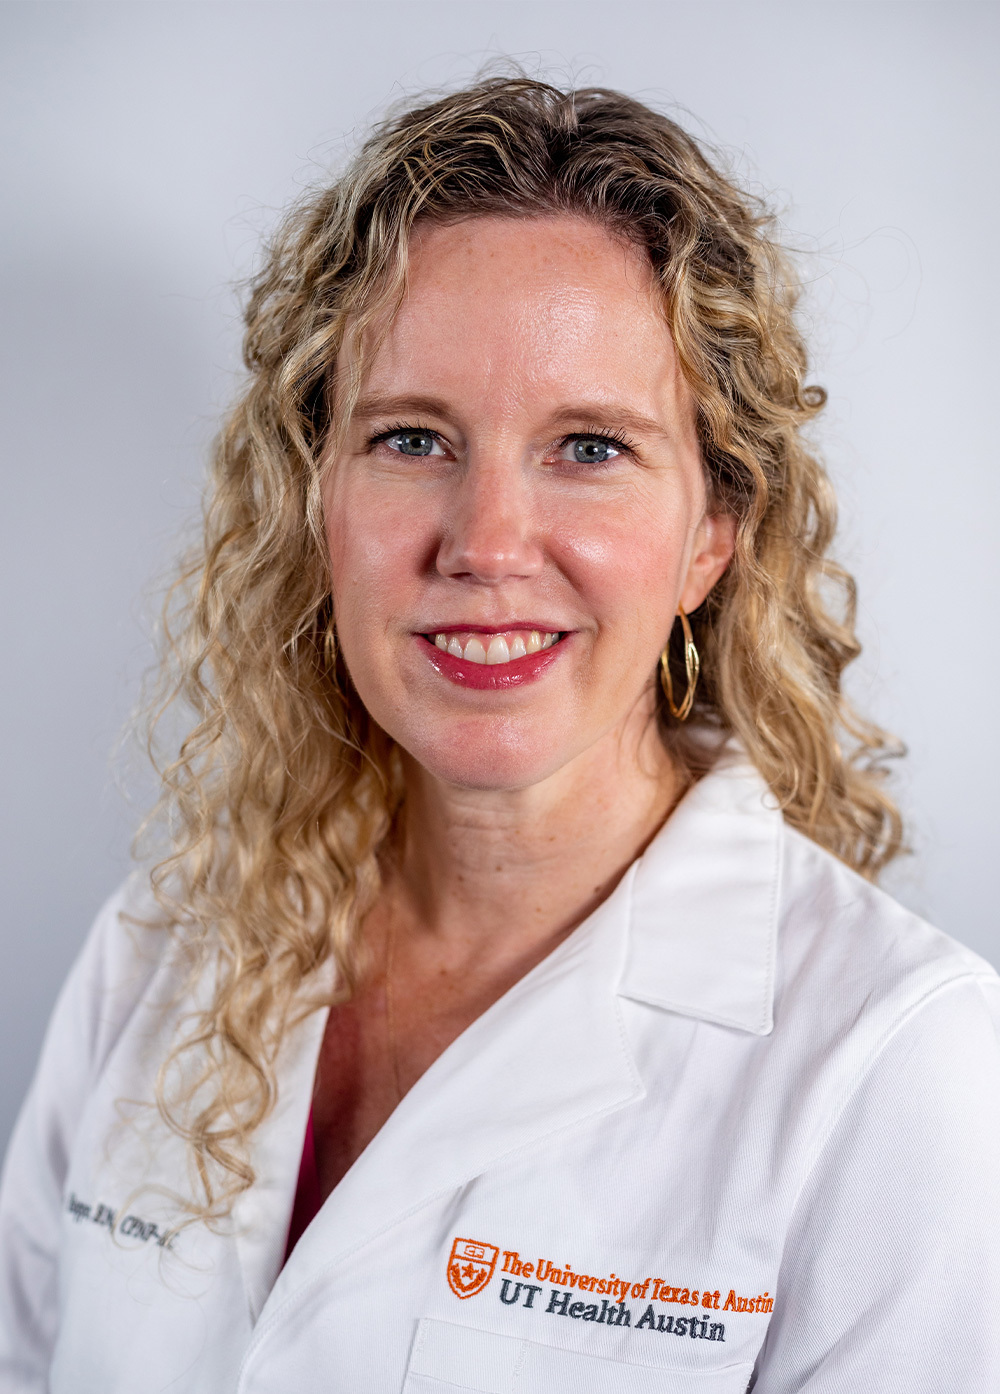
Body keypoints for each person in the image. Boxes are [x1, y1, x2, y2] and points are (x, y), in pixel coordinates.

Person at [1, 76, 997, 1394]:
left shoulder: (896, 1066)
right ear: (318, 498)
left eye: (588, 446)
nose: (483, 544)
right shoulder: (159, 947)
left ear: (714, 531)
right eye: (412, 437)